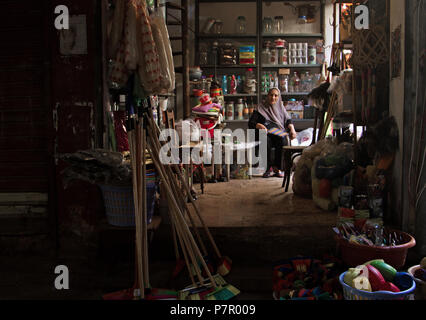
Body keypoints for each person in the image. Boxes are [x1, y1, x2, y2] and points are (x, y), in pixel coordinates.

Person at [248, 87, 297, 178]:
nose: (273, 97)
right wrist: (259, 125)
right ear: (267, 96)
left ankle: (278, 168)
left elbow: (288, 121)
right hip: (265, 134)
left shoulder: (281, 108)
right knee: (266, 140)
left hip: (277, 134)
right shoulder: (260, 107)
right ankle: (267, 169)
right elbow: (251, 122)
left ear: (278, 97)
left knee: (282, 140)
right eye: (271, 95)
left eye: (276, 95)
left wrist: (292, 130)